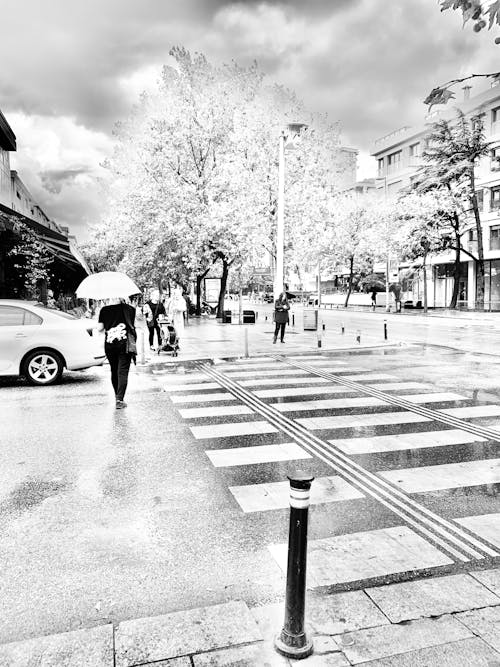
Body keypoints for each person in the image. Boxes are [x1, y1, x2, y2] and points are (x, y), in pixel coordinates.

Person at [97, 298, 136, 409]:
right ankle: (119, 399)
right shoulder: (130, 309)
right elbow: (132, 325)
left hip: (109, 345)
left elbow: (100, 328)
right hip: (125, 345)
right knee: (122, 371)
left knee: (114, 370)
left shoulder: (104, 310)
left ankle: (117, 396)